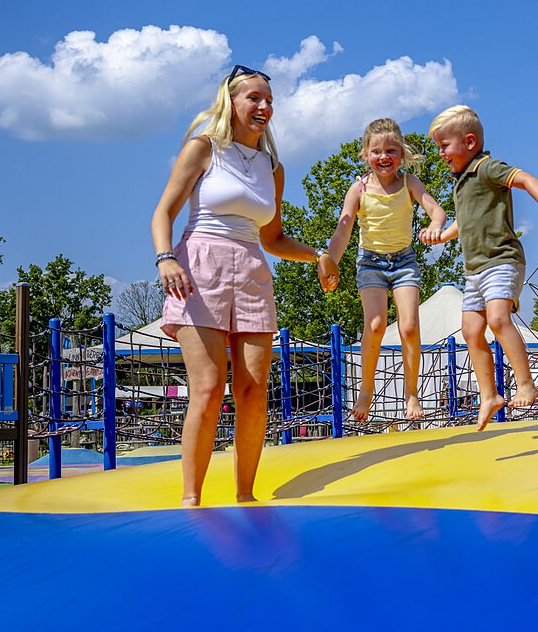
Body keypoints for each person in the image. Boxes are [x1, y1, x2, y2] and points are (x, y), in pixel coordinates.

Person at [151, 65, 333, 507]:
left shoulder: (273, 167)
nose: (264, 106)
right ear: (231, 102)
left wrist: (317, 255)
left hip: (251, 271)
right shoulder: (203, 149)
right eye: (254, 98)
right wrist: (165, 258)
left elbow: (272, 238)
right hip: (200, 266)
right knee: (210, 387)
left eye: (269, 100)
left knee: (253, 390)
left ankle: (246, 494)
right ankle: (191, 497)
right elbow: (163, 213)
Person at [425, 105, 538, 431]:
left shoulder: (486, 167)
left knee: (496, 319)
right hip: (475, 270)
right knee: (470, 331)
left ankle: (525, 384)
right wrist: (441, 235)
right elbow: (462, 223)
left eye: (444, 146)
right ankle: (489, 395)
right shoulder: (461, 182)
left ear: (468, 141)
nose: (441, 153)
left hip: (502, 260)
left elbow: (526, 179)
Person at [317, 118, 448, 422]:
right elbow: (343, 228)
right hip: (371, 263)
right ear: (365, 155)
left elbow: (435, 208)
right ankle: (366, 390)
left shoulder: (408, 183)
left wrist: (436, 224)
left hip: (404, 262)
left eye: (391, 150)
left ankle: (412, 392)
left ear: (401, 154)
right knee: (375, 325)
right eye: (376, 151)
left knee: (410, 326)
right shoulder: (358, 189)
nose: (384, 157)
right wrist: (331, 261)